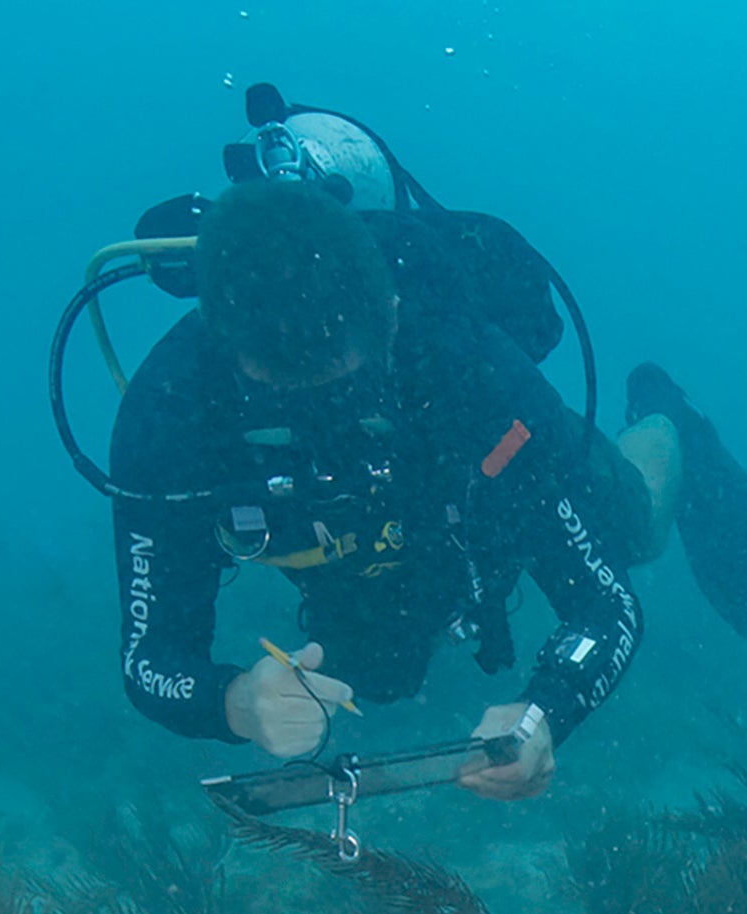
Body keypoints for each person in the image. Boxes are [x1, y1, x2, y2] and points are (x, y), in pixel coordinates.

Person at [106, 175, 676, 799]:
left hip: (471, 482)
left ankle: (666, 418)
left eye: (340, 386)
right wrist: (235, 701)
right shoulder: (170, 416)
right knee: (379, 675)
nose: (323, 425)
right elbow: (150, 658)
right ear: (224, 352)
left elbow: (606, 605)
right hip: (347, 549)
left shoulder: (470, 370)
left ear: (392, 316)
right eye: (281, 396)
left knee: (638, 528)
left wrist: (546, 712)